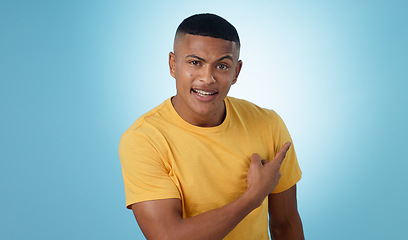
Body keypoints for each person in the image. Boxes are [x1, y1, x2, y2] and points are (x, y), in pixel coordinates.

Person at [119, 13, 304, 240]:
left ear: (236, 72)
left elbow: (285, 225)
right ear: (173, 64)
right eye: (195, 62)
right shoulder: (144, 140)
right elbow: (167, 236)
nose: (207, 78)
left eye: (222, 66)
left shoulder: (268, 125)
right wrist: (252, 197)